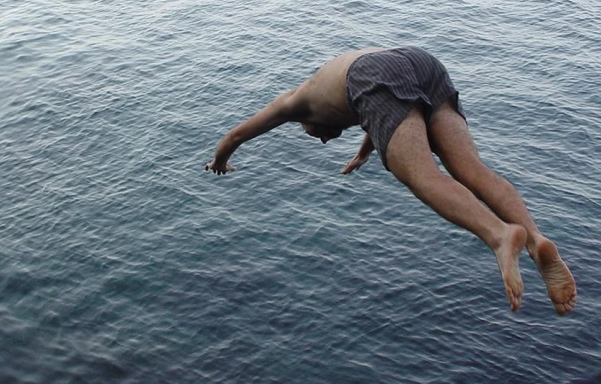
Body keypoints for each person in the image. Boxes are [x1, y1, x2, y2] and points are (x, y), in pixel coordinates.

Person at [205, 46, 577, 314]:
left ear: (305, 119)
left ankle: (500, 236)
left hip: (375, 77)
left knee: (421, 176)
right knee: (472, 170)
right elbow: (392, 104)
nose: (320, 137)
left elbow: (239, 133)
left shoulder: (293, 103)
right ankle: (535, 239)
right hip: (420, 63)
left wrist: (220, 160)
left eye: (311, 133)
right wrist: (367, 150)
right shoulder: (337, 89)